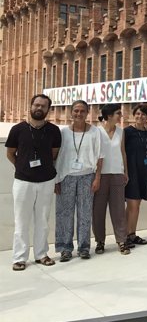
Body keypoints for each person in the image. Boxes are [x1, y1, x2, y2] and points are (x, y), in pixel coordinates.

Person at [6, 94, 62, 271]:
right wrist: (22, 167)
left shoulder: (54, 131)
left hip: (46, 181)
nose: (39, 108)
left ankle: (41, 254)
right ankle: (19, 257)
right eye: (36, 105)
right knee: (21, 221)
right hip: (23, 182)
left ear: (48, 110)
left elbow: (54, 154)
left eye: (43, 106)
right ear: (30, 107)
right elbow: (10, 153)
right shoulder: (17, 129)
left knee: (43, 221)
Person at [54, 100, 103, 261]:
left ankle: (84, 247)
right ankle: (65, 248)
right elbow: (58, 158)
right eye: (76, 110)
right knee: (64, 213)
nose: (79, 114)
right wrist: (57, 180)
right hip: (66, 177)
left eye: (82, 111)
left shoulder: (95, 132)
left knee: (85, 213)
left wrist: (97, 178)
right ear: (71, 112)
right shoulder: (63, 133)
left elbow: (100, 156)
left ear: (87, 113)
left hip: (87, 176)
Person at [93, 104, 130, 255]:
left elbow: (123, 152)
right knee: (98, 210)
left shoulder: (121, 132)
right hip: (100, 175)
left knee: (118, 210)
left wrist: (125, 172)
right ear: (108, 116)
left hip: (117, 174)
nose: (120, 116)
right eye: (117, 114)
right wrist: (95, 176)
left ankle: (121, 241)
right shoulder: (96, 131)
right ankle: (100, 241)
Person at [124, 103, 147, 247]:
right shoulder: (127, 132)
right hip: (131, 172)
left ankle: (132, 233)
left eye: (143, 114)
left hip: (145, 171)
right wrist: (124, 172)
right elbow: (122, 153)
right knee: (132, 205)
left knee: (137, 204)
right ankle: (126, 235)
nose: (139, 116)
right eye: (137, 113)